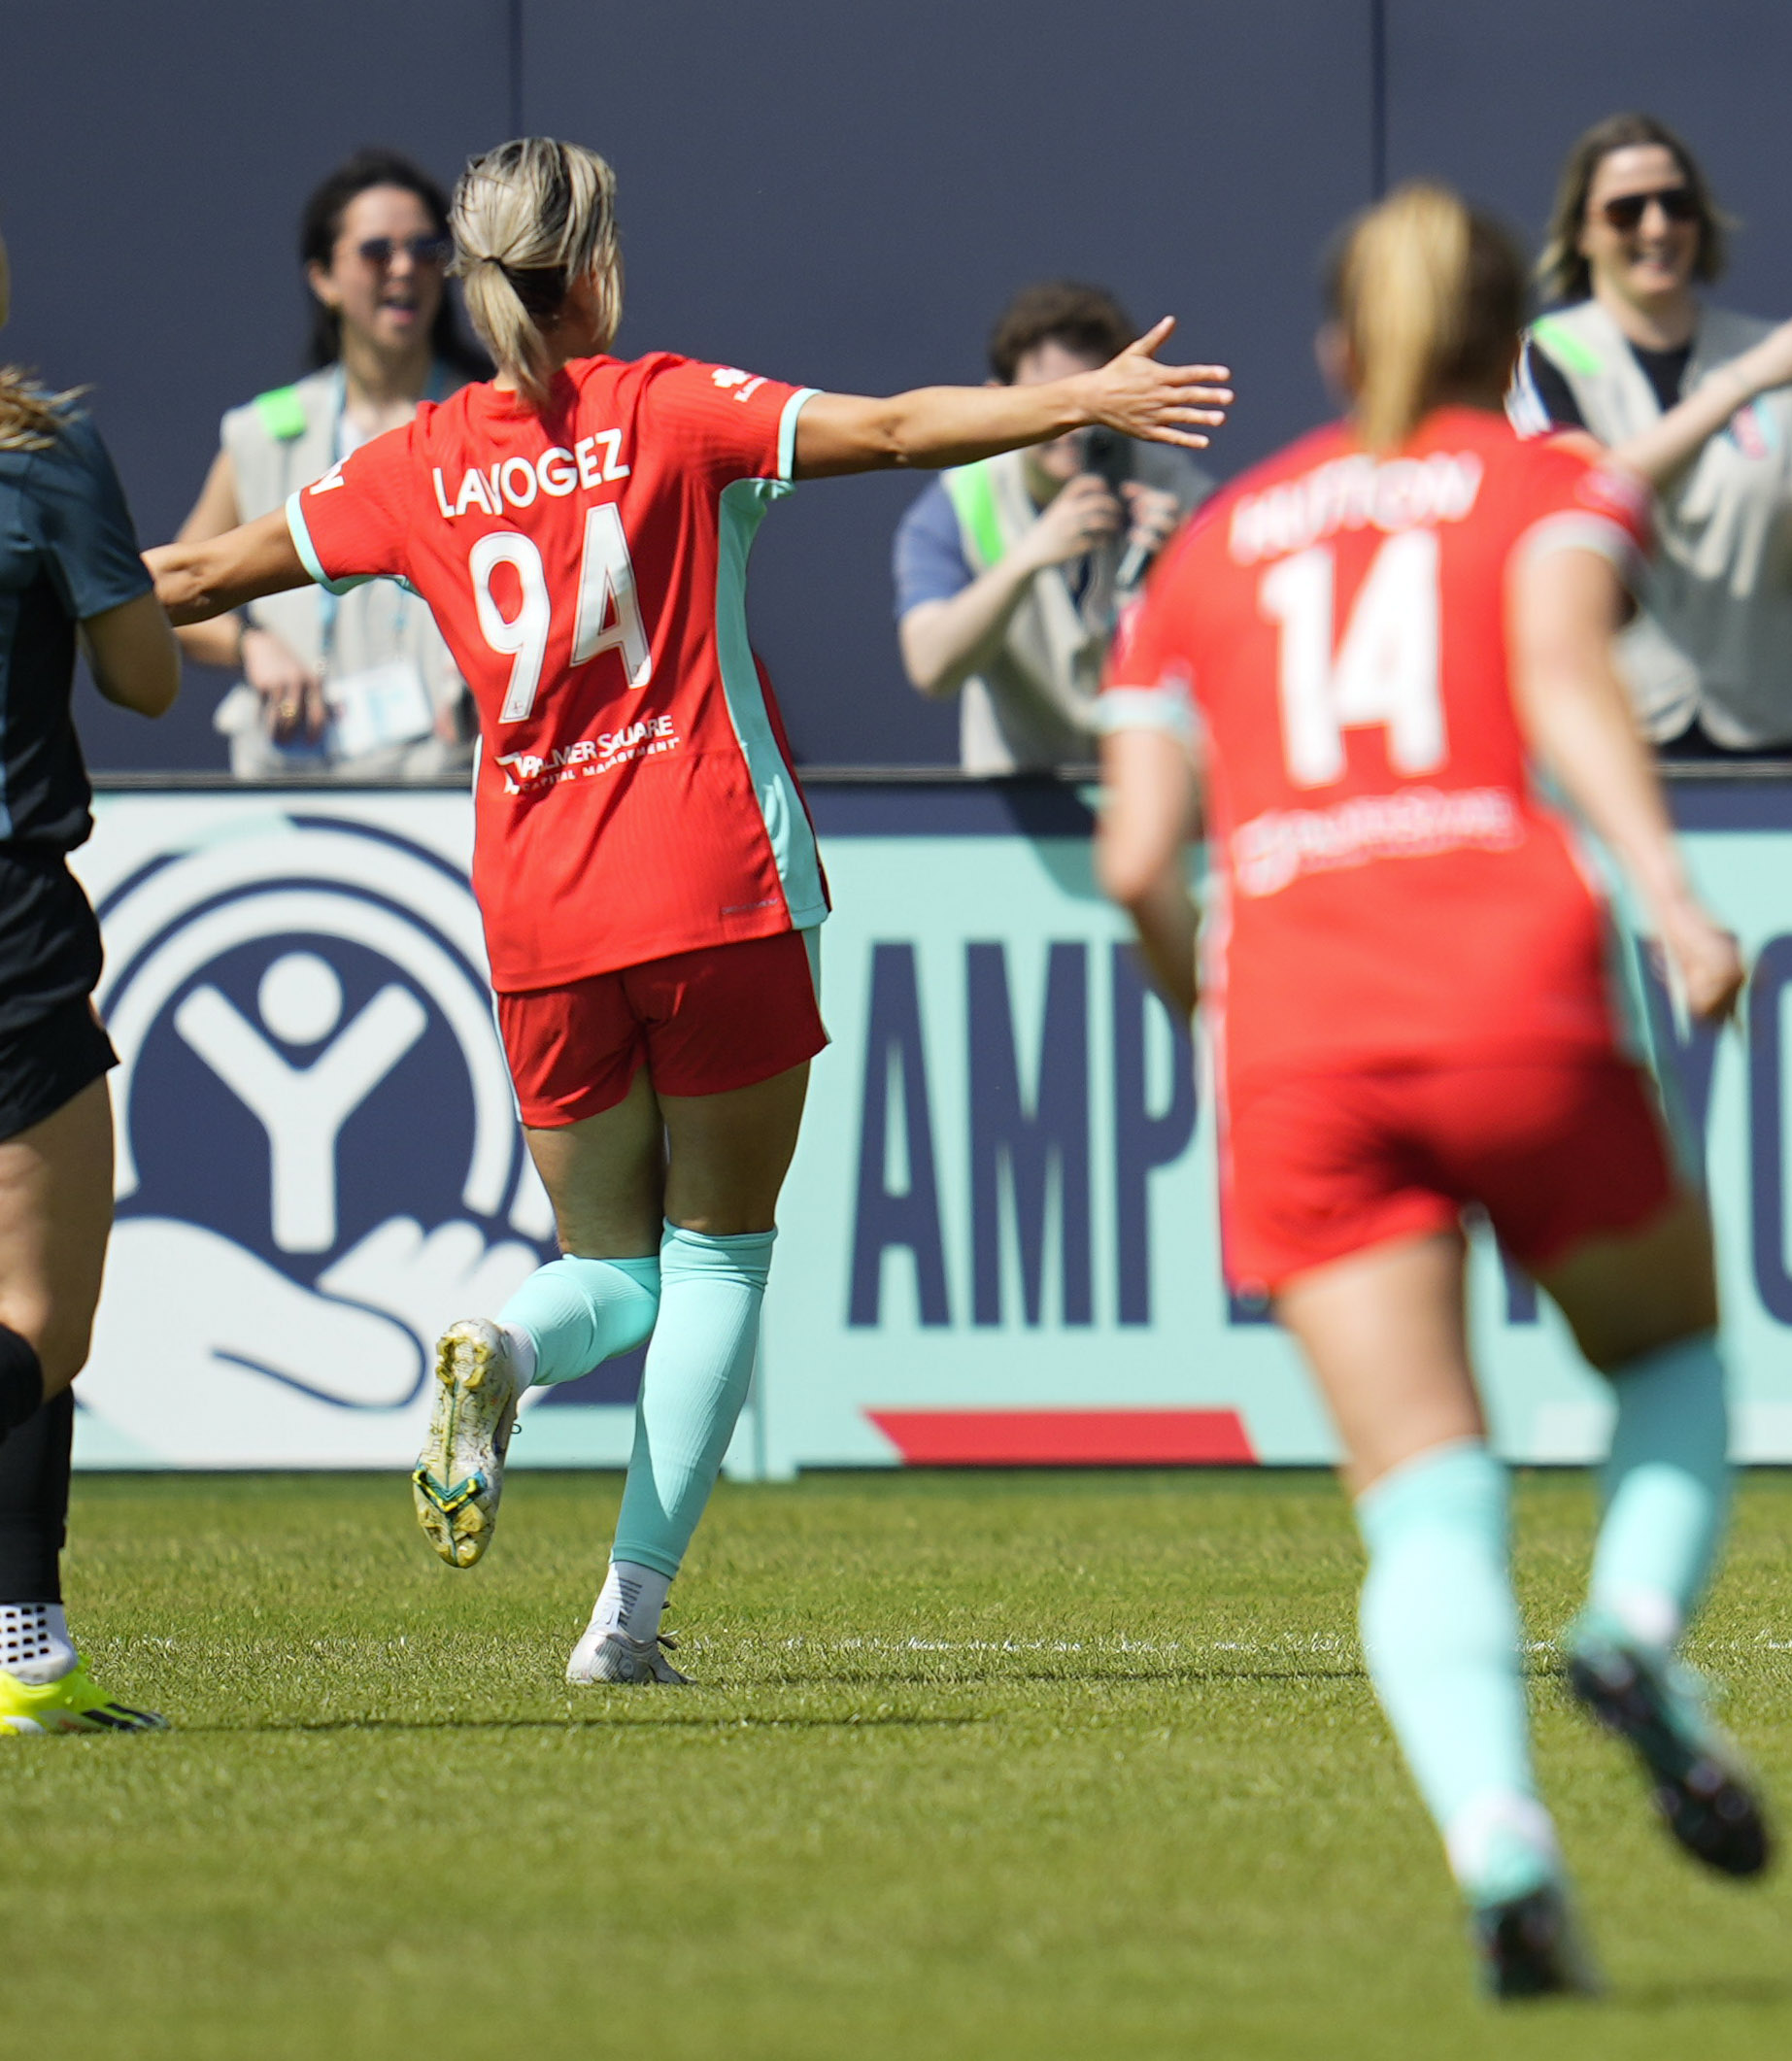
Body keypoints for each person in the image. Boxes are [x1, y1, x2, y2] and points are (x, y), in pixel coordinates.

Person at [147, 138, 1229, 1684]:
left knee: (608, 1267)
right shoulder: (667, 405)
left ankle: (503, 1348)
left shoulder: (420, 463)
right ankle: (622, 1622)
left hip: (540, 907)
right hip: (713, 875)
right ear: (593, 267)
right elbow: (906, 427)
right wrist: (1084, 400)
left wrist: (40, 572)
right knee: (718, 1256)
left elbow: (196, 574)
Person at [1097, 181, 1761, 1998]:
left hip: (1301, 1031)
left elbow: (1137, 861)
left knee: (1423, 1494)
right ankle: (1629, 1633)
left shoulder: (1213, 545)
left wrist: (1211, 1008)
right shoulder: (1542, 480)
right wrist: (1679, 902)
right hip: (1511, 985)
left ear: (1333, 349)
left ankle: (1501, 1844)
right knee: (1677, 1364)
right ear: (1513, 350)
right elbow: (1563, 684)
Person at [0, 231, 185, 1736]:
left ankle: (24, 1644)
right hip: (9, 923)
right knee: (40, 1328)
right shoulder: (44, 446)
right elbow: (144, 678)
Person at [1507, 111, 1792, 758]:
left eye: (1677, 204)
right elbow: (1583, 498)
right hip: (1619, 744)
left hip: (1777, 741)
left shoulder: (1778, 353)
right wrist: (1741, 384)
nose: (1657, 227)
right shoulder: (1545, 353)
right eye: (1625, 210)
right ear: (1580, 231)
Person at [171, 149, 491, 780]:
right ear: (322, 277)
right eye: (376, 252)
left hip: (451, 780)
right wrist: (251, 645)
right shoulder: (264, 432)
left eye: (426, 250)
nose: (404, 268)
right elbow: (180, 591)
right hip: (291, 780)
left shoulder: (490, 418)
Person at [893, 281, 1214, 771]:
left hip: (1151, 794)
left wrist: (1181, 572)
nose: (1076, 425)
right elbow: (931, 667)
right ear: (997, 402)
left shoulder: (1181, 494)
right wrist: (1029, 558)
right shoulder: (957, 502)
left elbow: (1253, 663)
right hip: (1019, 810)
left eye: (1096, 398)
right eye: (1052, 401)